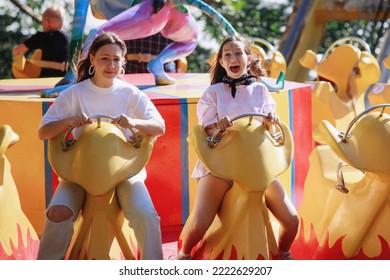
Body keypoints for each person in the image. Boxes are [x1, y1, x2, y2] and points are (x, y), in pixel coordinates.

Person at [37, 32, 165, 260]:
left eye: (116, 59)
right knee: (57, 213)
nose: (111, 64)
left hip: (125, 173)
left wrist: (134, 122)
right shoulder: (74, 93)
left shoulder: (131, 93)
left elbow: (159, 127)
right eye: (105, 58)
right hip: (79, 173)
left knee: (146, 214)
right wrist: (69, 121)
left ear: (123, 63)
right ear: (93, 59)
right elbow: (43, 131)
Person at [177, 34, 299, 260]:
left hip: (255, 165)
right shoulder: (212, 93)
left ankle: (283, 253)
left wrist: (271, 123)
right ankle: (184, 254)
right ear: (221, 62)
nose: (233, 58)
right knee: (201, 222)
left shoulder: (261, 91)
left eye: (238, 53)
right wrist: (219, 128)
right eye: (227, 55)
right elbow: (207, 132)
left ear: (249, 58)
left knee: (292, 220)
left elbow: (271, 132)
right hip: (221, 166)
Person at [12, 6, 70, 78]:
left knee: (38, 53)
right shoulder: (71, 37)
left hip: (46, 83)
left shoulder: (42, 36)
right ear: (62, 23)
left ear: (47, 22)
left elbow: (16, 51)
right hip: (68, 83)